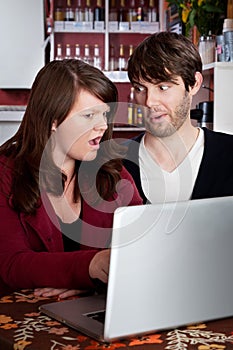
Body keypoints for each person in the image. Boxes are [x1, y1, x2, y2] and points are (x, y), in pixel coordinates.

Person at [0, 59, 142, 298]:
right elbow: (12, 264)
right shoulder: (6, 172)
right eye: (88, 116)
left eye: (104, 113)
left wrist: (86, 281)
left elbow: (139, 246)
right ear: (53, 120)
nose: (101, 126)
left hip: (93, 313)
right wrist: (90, 267)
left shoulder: (112, 171)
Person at [124, 31, 233, 204]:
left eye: (163, 87)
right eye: (140, 88)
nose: (149, 101)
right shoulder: (112, 163)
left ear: (194, 84)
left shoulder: (229, 154)